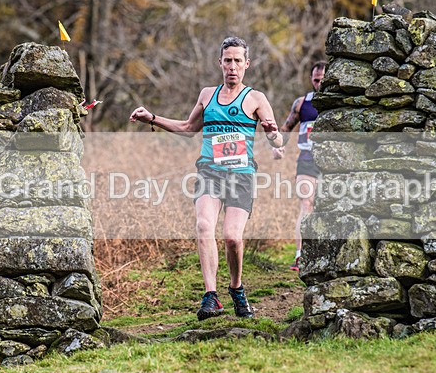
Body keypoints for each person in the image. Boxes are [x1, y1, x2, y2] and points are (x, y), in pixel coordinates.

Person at [129, 36, 284, 320]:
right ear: (220, 63)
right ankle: (211, 296)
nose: (232, 66)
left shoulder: (256, 98)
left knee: (232, 238)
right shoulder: (207, 95)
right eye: (228, 61)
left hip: (241, 175)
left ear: (247, 64)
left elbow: (277, 140)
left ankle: (236, 288)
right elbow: (188, 128)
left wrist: (272, 134)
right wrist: (152, 118)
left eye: (238, 61)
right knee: (203, 226)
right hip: (209, 172)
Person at [272, 60, 326, 272]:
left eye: (323, 80)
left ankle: (324, 254)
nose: (319, 84)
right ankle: (299, 255)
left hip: (331, 161)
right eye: (316, 80)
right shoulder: (302, 103)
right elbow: (286, 128)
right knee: (306, 203)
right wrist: (278, 146)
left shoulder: (338, 103)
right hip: (307, 159)